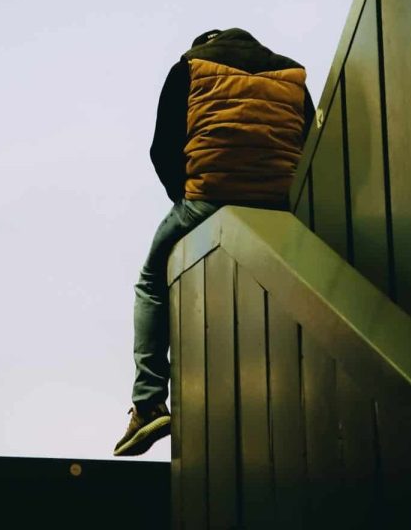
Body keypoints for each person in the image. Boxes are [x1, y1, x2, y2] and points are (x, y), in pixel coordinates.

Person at [113, 28, 314, 456]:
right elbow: (308, 142)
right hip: (281, 204)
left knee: (150, 282)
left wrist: (187, 199)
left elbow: (161, 148)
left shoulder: (188, 67)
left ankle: (148, 404)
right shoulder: (294, 74)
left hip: (207, 196)